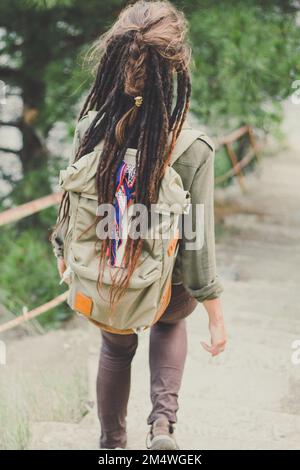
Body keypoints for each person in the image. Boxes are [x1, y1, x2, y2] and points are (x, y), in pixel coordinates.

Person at [51, 0, 227, 450]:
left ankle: (112, 443)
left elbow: (70, 203)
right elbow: (197, 237)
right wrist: (214, 314)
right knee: (171, 323)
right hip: (167, 279)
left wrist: (63, 254)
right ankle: (163, 427)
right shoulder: (193, 147)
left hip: (112, 270)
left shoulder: (91, 127)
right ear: (175, 67)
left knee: (116, 346)